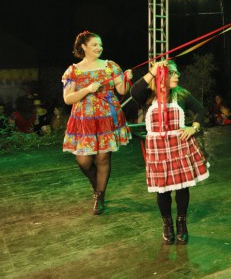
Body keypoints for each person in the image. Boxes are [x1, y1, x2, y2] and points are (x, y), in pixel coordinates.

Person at [130, 60, 209, 245]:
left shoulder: (181, 94)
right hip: (158, 150)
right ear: (161, 76)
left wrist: (193, 128)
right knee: (162, 190)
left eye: (176, 73)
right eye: (172, 73)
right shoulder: (147, 96)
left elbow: (200, 110)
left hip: (179, 146)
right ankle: (167, 224)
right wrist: (153, 71)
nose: (177, 76)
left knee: (182, 187)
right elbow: (134, 91)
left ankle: (181, 223)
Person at [62, 31, 132, 215]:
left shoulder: (111, 66)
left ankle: (100, 195)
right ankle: (97, 185)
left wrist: (126, 79)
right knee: (84, 160)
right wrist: (87, 89)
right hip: (84, 121)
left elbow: (122, 90)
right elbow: (68, 99)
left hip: (107, 117)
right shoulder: (73, 71)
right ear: (83, 47)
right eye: (94, 44)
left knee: (102, 158)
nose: (99, 47)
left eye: (100, 44)